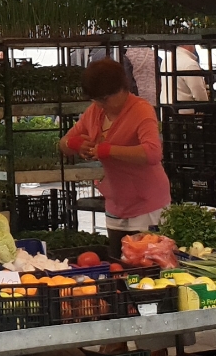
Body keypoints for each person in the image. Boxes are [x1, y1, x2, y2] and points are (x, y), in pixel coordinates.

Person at [62, 58, 170, 235]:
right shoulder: (95, 111)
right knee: (116, 259)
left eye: (105, 99)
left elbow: (153, 152)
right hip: (116, 204)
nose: (101, 104)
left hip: (148, 205)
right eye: (96, 99)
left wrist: (107, 150)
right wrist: (76, 144)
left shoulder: (141, 110)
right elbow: (64, 143)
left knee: (143, 260)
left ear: (122, 88)